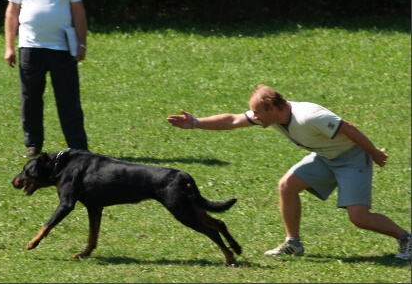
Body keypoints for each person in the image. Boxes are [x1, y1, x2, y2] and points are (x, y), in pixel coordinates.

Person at [166, 84, 411, 260]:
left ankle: (406, 239)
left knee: (359, 218)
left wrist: (375, 153)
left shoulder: (308, 117)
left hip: (352, 159)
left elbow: (348, 128)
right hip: (326, 157)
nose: (255, 117)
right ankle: (293, 244)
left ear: (273, 107)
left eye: (259, 112)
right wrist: (196, 123)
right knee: (287, 185)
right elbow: (232, 120)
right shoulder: (272, 115)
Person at [4, 0, 88, 157]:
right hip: (30, 47)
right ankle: (33, 144)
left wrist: (82, 43)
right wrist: (9, 46)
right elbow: (12, 10)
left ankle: (78, 147)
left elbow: (78, 10)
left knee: (68, 99)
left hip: (62, 47)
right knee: (30, 98)